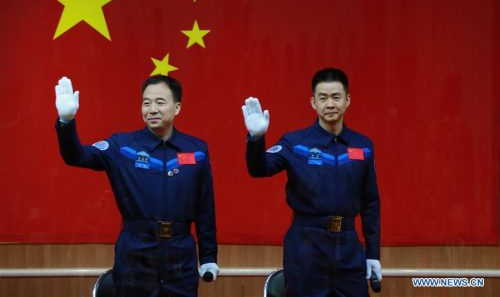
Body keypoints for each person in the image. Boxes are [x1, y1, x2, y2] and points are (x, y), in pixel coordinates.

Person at [55, 75, 219, 297]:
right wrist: (66, 123)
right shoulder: (122, 147)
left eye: (160, 102)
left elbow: (205, 207)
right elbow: (77, 156)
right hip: (136, 254)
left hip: (180, 255)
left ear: (177, 107)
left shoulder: (197, 150)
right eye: (146, 102)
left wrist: (209, 256)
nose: (152, 109)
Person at [242, 68, 381, 297]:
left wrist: (373, 253)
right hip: (306, 247)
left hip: (348, 247)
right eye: (323, 98)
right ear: (313, 102)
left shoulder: (363, 146)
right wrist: (256, 139)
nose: (330, 104)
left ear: (347, 100)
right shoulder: (295, 143)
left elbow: (371, 203)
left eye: (336, 97)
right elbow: (259, 169)